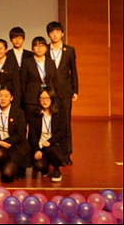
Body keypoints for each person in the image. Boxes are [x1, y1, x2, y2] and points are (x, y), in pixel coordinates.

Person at [46, 21, 79, 165]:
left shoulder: (69, 50)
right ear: (49, 34)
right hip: (49, 92)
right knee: (49, 122)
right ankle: (51, 153)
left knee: (65, 123)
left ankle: (66, 154)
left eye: (58, 32)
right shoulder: (45, 50)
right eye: (52, 32)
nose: (55, 34)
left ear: (62, 34)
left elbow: (73, 71)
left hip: (65, 91)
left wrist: (75, 90)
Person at [0, 86, 30, 183]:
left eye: (6, 96)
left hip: (16, 147)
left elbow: (21, 135)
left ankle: (19, 167)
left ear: (11, 98)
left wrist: (4, 142)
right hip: (1, 146)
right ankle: (4, 164)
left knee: (7, 175)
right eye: (0, 96)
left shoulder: (19, 113)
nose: (3, 99)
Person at [29, 89, 68, 183]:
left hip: (54, 145)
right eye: (42, 98)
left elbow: (62, 132)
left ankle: (56, 169)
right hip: (40, 146)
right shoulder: (34, 113)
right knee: (39, 165)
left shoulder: (59, 112)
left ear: (52, 99)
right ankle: (45, 167)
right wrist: (37, 149)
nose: (44, 101)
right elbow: (32, 134)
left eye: (47, 98)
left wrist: (50, 142)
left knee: (50, 149)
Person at [21, 37, 57, 121]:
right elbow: (23, 82)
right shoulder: (27, 62)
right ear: (32, 48)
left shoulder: (51, 62)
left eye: (42, 46)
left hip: (47, 99)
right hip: (31, 99)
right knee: (32, 123)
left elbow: (55, 80)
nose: (39, 48)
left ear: (46, 48)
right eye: (36, 46)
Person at [0, 39, 22, 109]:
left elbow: (16, 85)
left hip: (8, 99)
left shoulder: (12, 64)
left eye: (0, 49)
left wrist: (15, 104)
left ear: (6, 50)